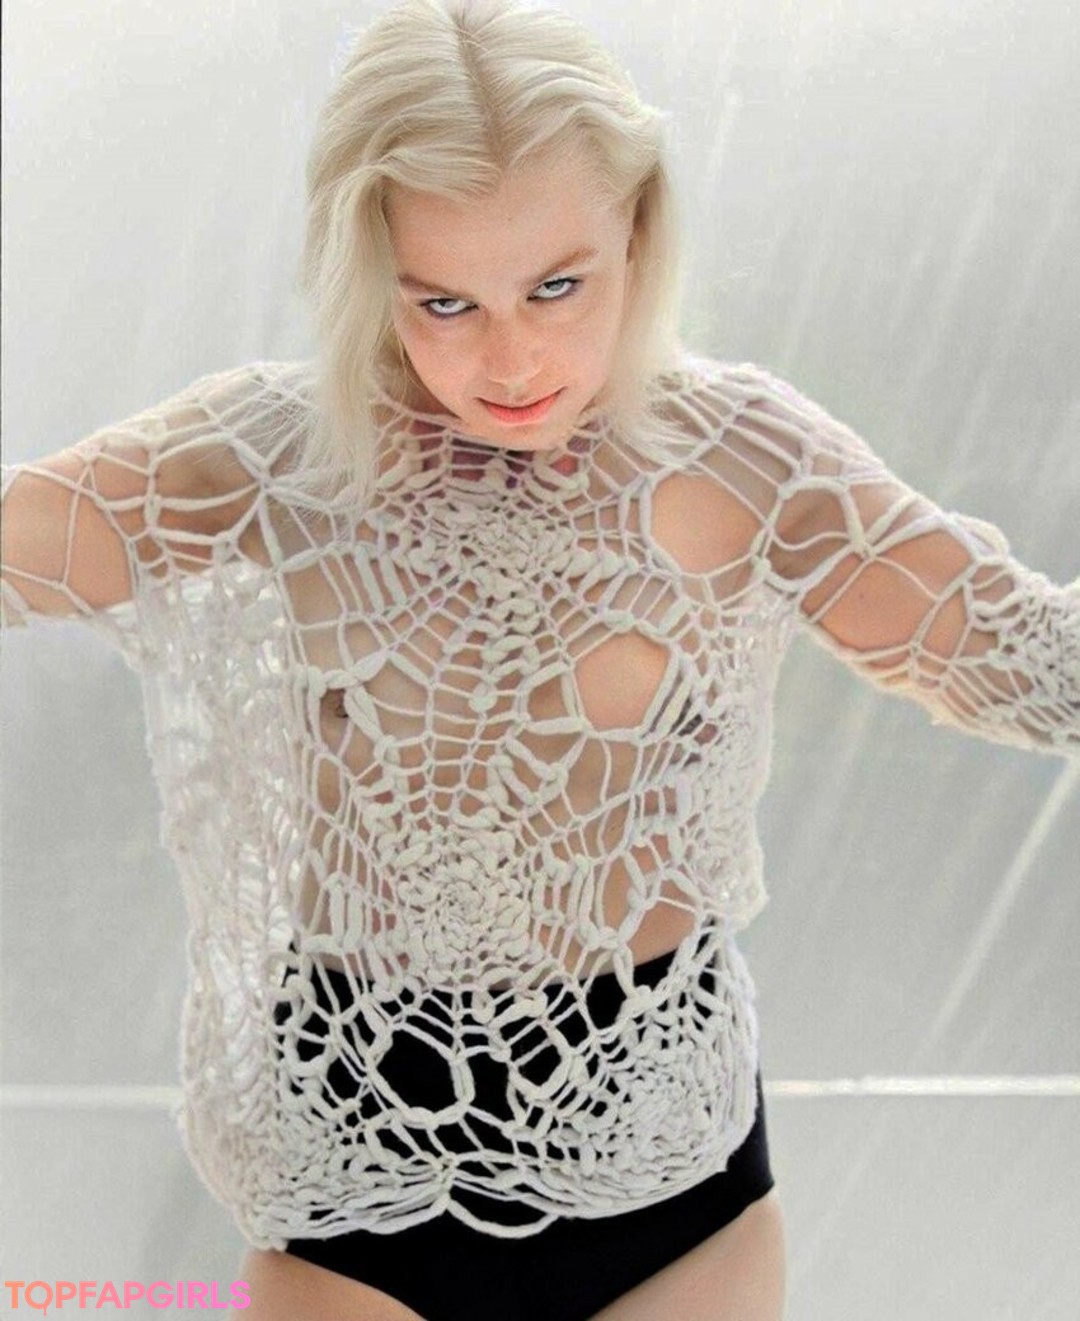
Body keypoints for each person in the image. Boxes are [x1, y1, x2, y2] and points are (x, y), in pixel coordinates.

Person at [1, 0, 1076, 1318]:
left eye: (557, 286)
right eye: (444, 300)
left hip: (667, 1162)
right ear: (372, 268)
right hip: (351, 1163)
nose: (510, 359)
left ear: (639, 231)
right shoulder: (271, 458)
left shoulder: (743, 460)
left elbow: (1024, 658)